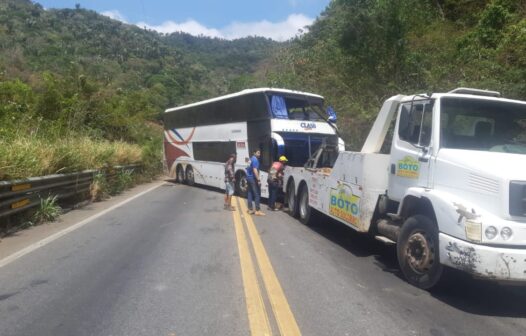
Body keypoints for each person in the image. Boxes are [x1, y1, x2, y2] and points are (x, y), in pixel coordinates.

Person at [246, 150, 265, 216]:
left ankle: (250, 209)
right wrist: (258, 180)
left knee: (250, 193)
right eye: (258, 153)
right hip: (253, 179)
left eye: (260, 153)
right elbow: (255, 170)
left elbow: (248, 168)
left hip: (248, 177)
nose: (259, 154)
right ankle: (257, 210)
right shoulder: (255, 160)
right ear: (254, 153)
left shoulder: (250, 159)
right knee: (257, 194)